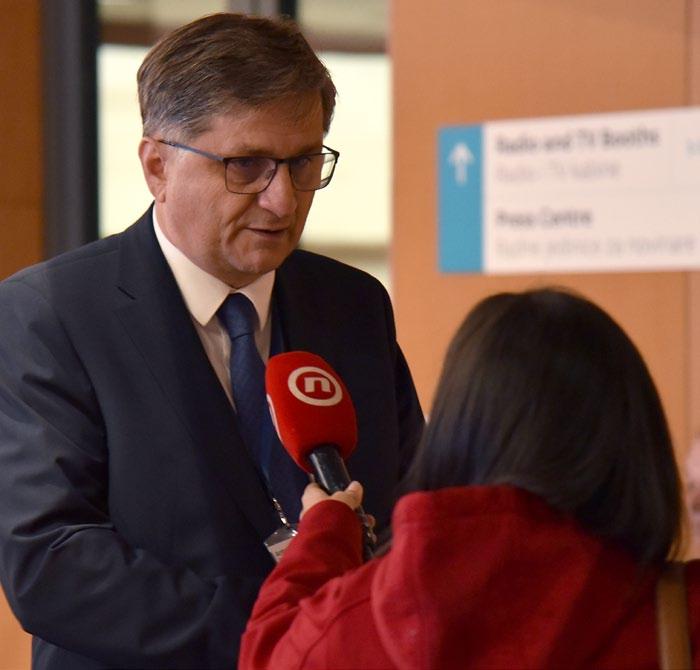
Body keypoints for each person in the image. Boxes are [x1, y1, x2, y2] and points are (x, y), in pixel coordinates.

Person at [0, 13, 423, 669]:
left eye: (304, 162)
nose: (282, 200)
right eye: (246, 165)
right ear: (157, 166)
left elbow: (407, 506)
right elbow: (51, 564)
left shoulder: (354, 304)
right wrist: (284, 634)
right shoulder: (49, 315)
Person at [240, 287, 700, 669]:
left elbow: (269, 655)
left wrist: (326, 531)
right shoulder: (679, 617)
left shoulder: (364, 618)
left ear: (458, 430)